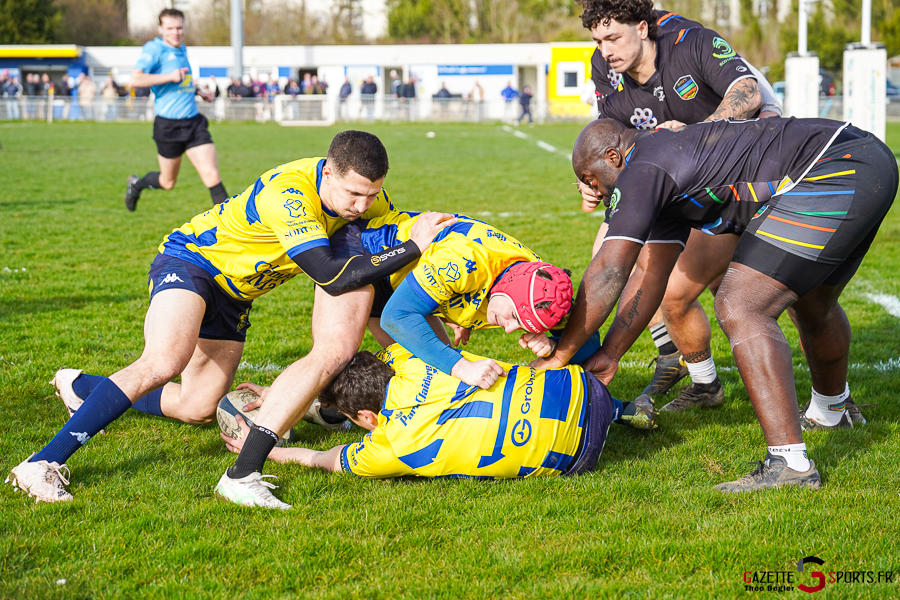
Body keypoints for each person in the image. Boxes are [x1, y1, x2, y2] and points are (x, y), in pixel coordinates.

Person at [7, 130, 455, 505]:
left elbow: (369, 276)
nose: (362, 205)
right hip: (193, 262)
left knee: (198, 406)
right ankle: (42, 462)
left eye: (372, 195)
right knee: (165, 360)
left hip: (236, 295)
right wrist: (411, 247)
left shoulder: (366, 200)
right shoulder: (290, 193)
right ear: (328, 171)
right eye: (353, 193)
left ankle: (80, 386)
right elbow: (328, 274)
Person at [536, 117, 898, 491]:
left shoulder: (641, 168)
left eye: (592, 180)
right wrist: (612, 353)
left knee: (740, 304)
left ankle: (789, 464)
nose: (595, 193)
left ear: (612, 156)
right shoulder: (656, 163)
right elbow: (649, 276)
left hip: (834, 166)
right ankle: (830, 411)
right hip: (863, 160)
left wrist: (560, 354)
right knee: (811, 303)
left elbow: (610, 271)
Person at [576, 0, 776, 413]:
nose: (605, 50)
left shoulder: (690, 41)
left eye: (613, 37)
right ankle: (689, 370)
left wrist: (696, 137)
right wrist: (593, 181)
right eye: (597, 40)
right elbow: (612, 135)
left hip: (731, 188)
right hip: (669, 192)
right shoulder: (603, 66)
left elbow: (749, 90)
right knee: (610, 254)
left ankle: (834, 397)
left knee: (782, 297)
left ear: (644, 28)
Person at [221, 343, 631, 482]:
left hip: (577, 455)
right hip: (585, 389)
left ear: (365, 418)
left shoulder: (388, 447)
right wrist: (286, 394)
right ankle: (624, 410)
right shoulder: (416, 358)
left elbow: (321, 458)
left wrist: (267, 449)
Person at [124, 8, 226, 212]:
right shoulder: (154, 49)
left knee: (212, 176)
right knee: (167, 182)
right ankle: (137, 184)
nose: (175, 32)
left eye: (179, 28)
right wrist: (169, 77)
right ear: (161, 28)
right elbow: (135, 80)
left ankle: (232, 230)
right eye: (170, 28)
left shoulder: (182, 49)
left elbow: (183, 80)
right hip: (168, 126)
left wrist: (199, 91)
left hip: (193, 123)